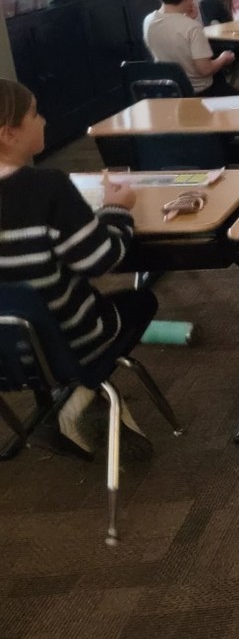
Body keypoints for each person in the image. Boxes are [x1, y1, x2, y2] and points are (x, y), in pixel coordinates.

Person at [0, 80, 157, 456]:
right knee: (141, 302)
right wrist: (118, 209)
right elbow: (100, 260)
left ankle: (59, 404)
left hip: (4, 354)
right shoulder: (46, 188)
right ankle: (78, 397)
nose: (44, 120)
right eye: (35, 114)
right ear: (8, 133)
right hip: (67, 343)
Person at [143, 0, 238, 96]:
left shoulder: (148, 21)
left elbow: (172, 36)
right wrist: (223, 58)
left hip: (170, 90)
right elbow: (205, 69)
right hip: (201, 92)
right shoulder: (192, 27)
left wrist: (187, 19)